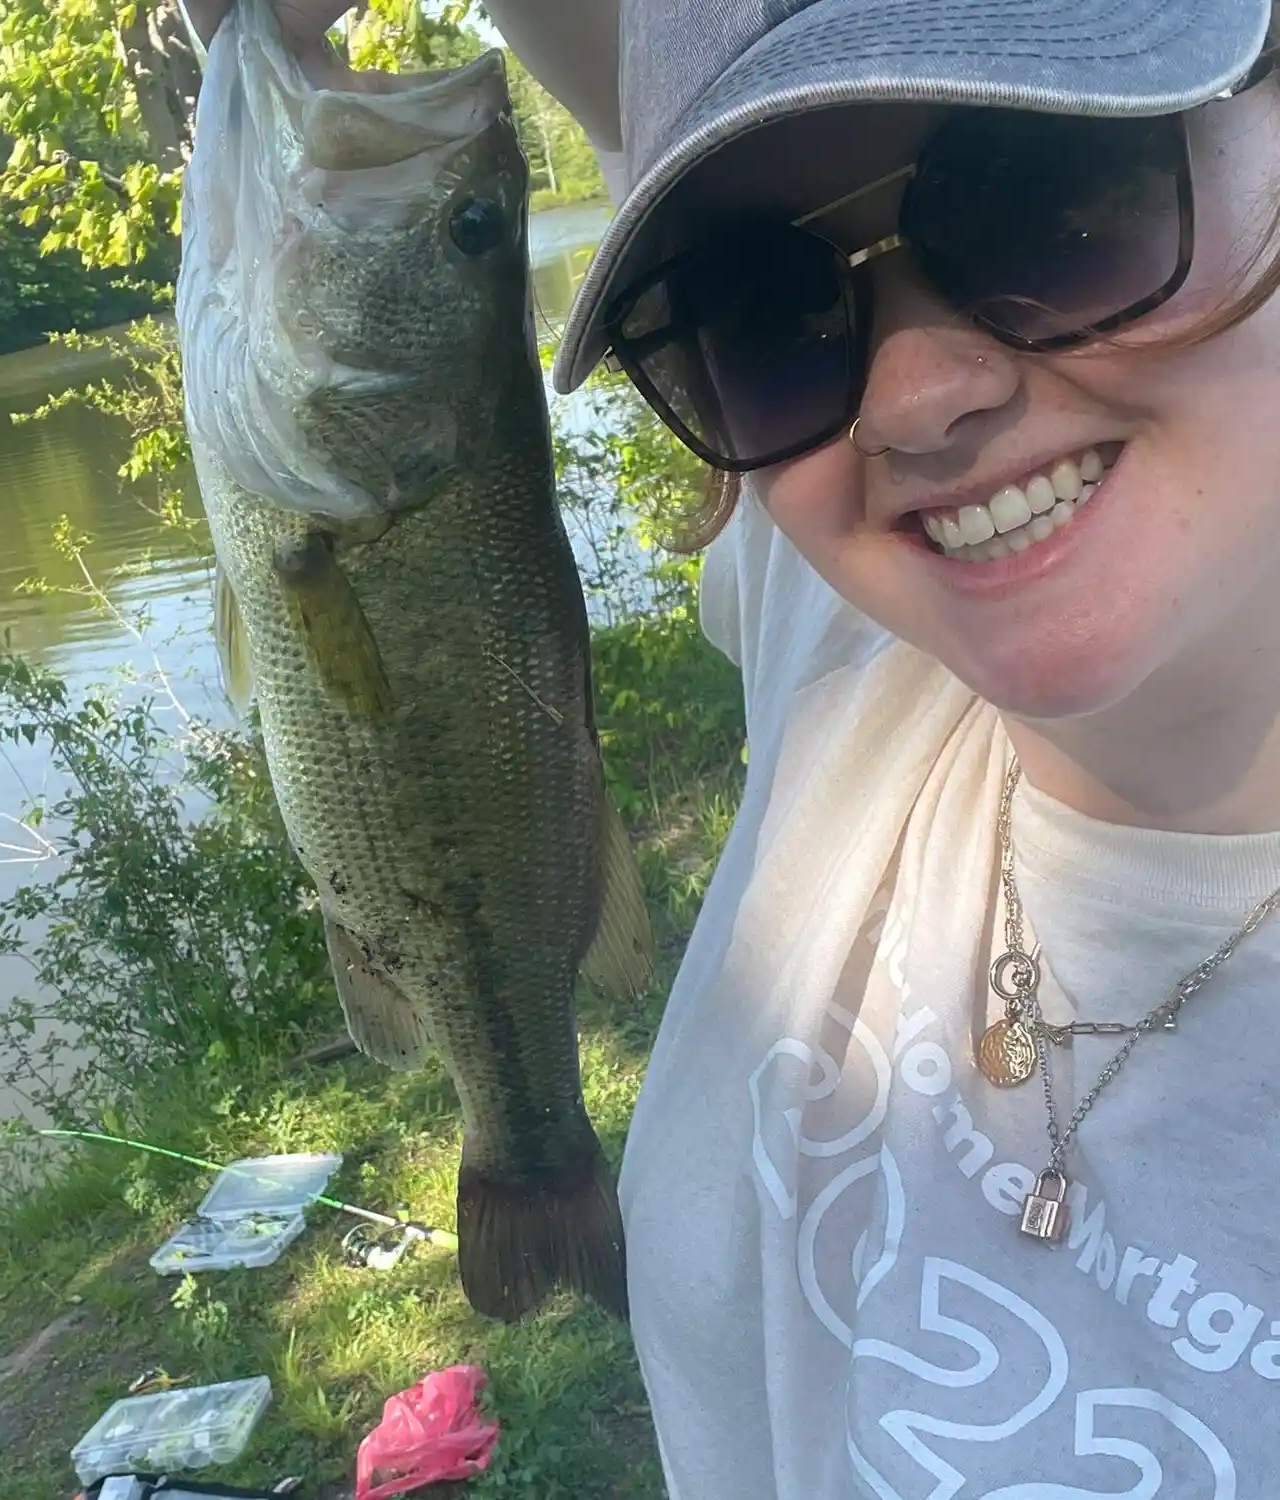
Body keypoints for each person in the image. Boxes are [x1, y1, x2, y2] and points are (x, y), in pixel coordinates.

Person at [184, 0, 1280, 1494]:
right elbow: (647, 71)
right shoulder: (857, 643)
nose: (913, 394)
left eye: (1049, 205)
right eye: (763, 315)